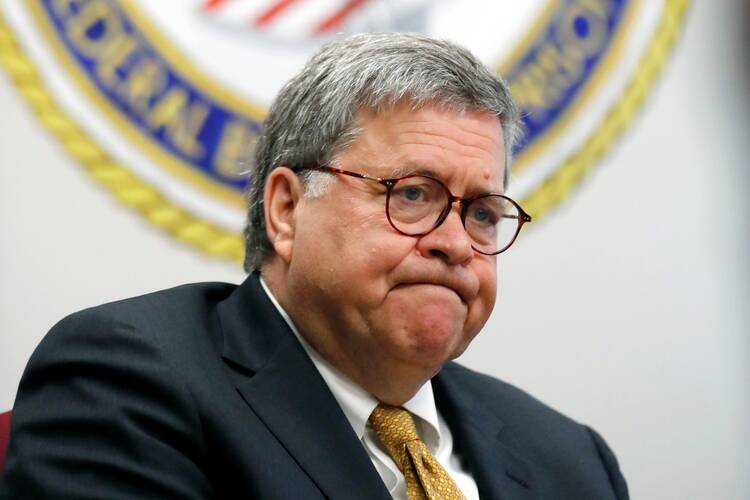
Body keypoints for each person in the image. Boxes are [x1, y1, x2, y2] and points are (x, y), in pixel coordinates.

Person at [0, 33, 628, 499]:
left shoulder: (571, 462)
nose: (457, 244)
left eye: (483, 212)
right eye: (412, 194)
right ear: (286, 209)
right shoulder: (129, 384)